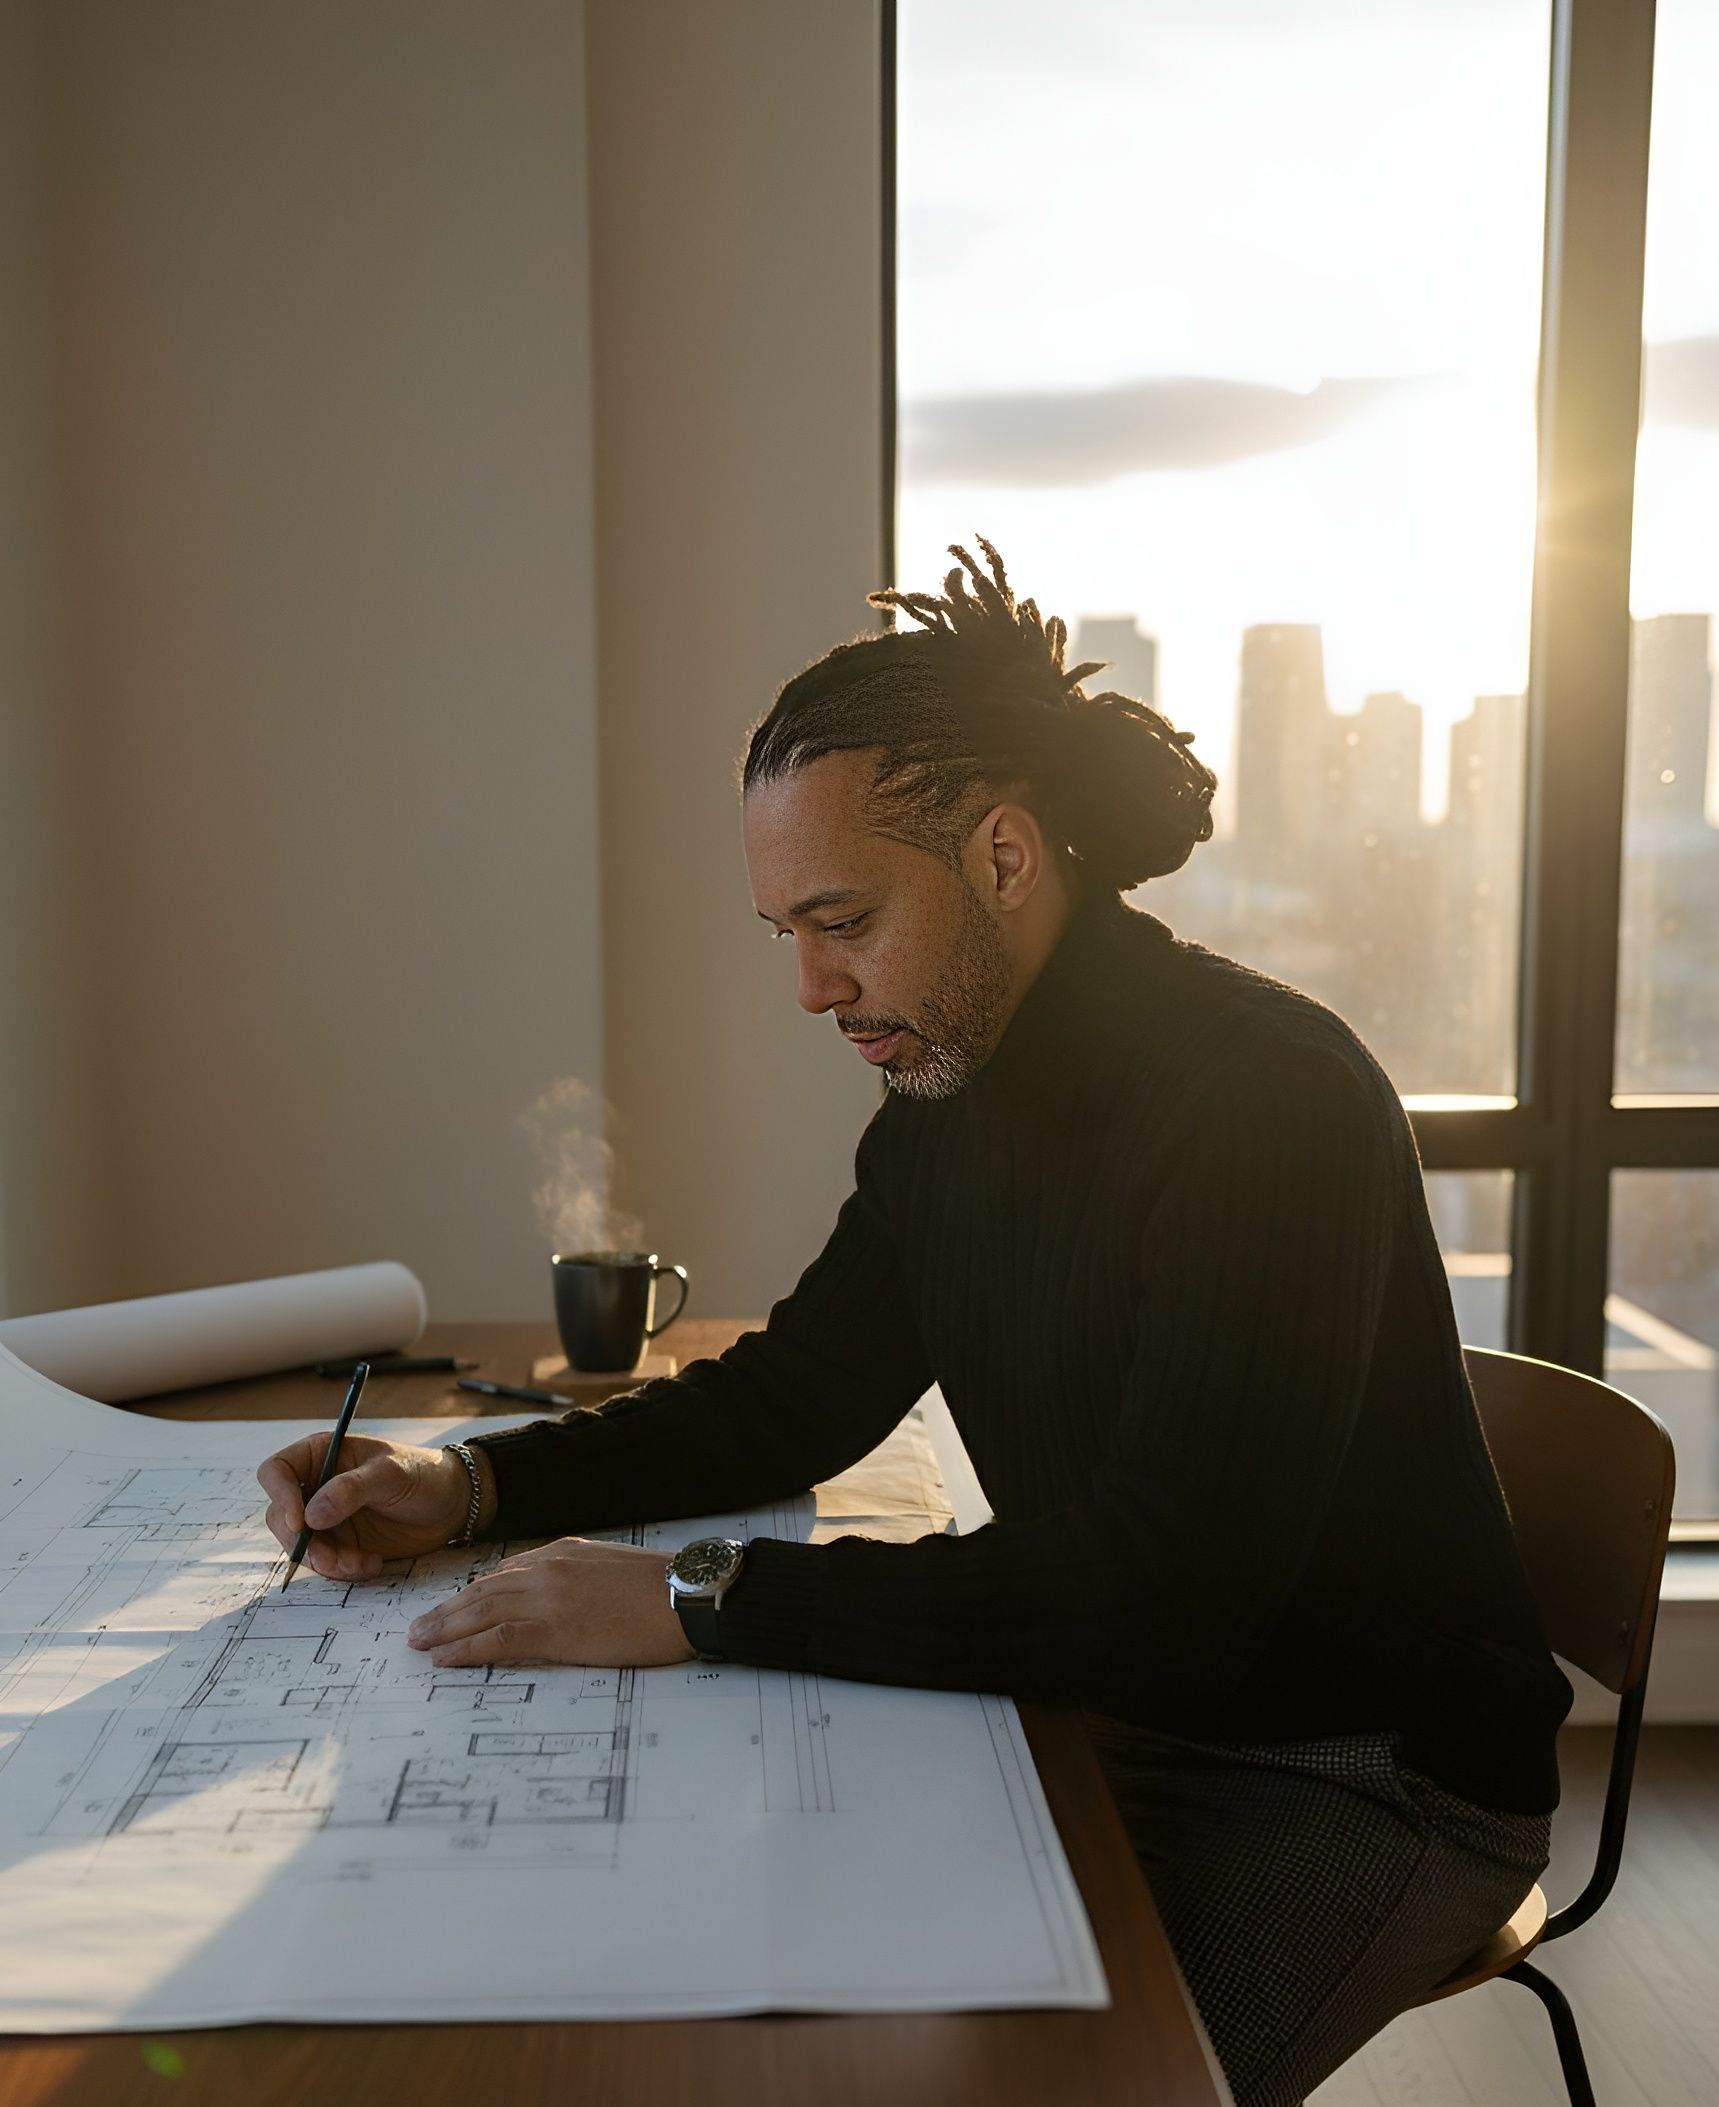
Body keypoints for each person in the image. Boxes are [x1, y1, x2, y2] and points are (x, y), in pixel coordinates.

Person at [258, 539, 1572, 2107]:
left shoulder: (1264, 1099)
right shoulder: (944, 1096)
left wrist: (699, 1596)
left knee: (1053, 2088)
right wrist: (468, 1484)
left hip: (1364, 1769)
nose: (814, 987)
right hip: (1119, 1691)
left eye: (844, 918)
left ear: (1005, 858)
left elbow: (1165, 1596)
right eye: (786, 935)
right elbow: (800, 1394)